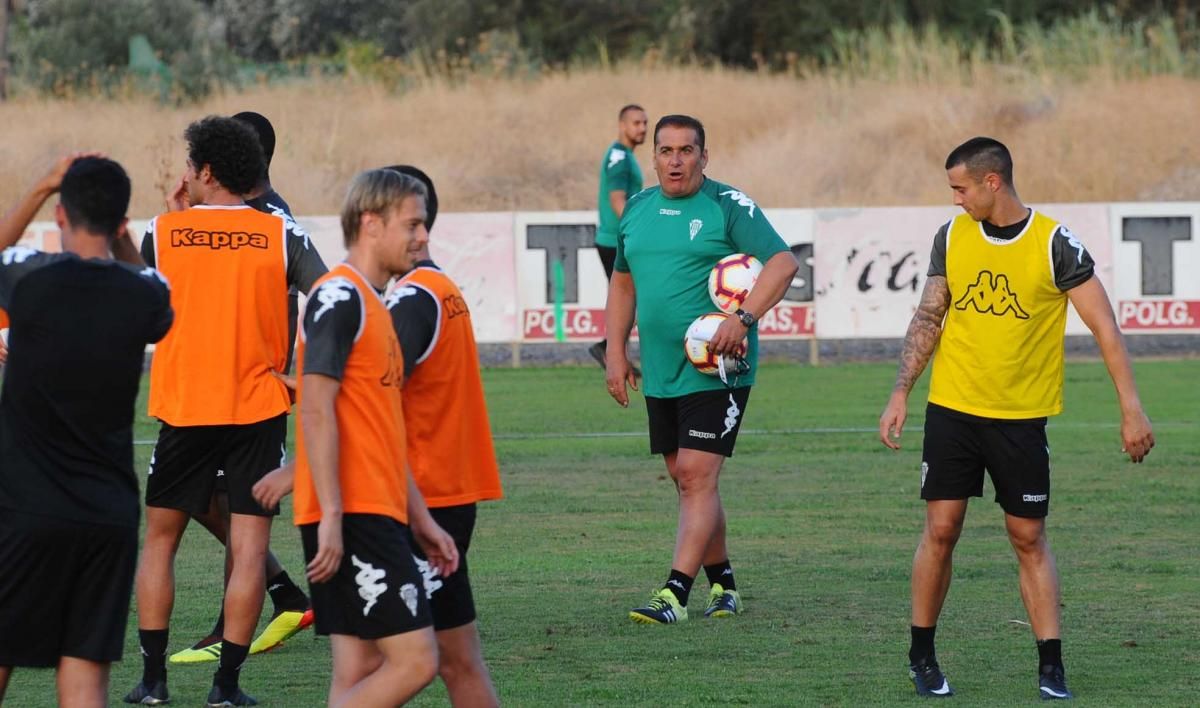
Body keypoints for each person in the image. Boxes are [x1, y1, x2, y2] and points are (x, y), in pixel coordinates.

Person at [878, 137, 1155, 701]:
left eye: (960, 188)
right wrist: (901, 391)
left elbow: (1105, 328)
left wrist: (1132, 408)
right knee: (941, 529)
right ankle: (922, 655)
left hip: (1021, 418)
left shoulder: (1055, 243)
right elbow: (930, 314)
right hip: (952, 409)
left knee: (1028, 536)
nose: (955, 200)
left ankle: (1051, 665)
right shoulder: (951, 236)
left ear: (991, 182)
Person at [124, 116, 326, 707]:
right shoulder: (282, 235)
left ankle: (153, 681)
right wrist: (309, 375)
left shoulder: (162, 232)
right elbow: (335, 294)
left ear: (205, 172)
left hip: (186, 408)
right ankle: (226, 688)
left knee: (159, 543)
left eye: (190, 165)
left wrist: (179, 219)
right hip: (259, 409)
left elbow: (144, 297)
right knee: (247, 549)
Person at [605, 114, 799, 624]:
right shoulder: (639, 210)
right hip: (663, 368)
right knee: (685, 476)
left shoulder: (727, 206)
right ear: (655, 158)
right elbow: (623, 283)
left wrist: (743, 317)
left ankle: (673, 594)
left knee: (695, 474)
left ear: (704, 156)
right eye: (666, 151)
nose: (675, 161)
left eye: (686, 151)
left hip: (720, 369)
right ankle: (725, 586)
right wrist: (614, 351)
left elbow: (782, 263)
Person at [277, 167, 459, 707]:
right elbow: (314, 407)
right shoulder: (339, 296)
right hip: (353, 515)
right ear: (371, 223)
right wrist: (331, 514)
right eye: (414, 224)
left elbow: (382, 431)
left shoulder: (376, 304)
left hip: (377, 509)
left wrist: (421, 519)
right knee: (417, 660)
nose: (424, 236)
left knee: (357, 670)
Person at [0, 155, 173, 707]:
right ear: (122, 222)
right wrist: (123, 239)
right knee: (85, 673)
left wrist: (38, 184)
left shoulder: (28, 279)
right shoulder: (142, 296)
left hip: (26, 508)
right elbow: (154, 283)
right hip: (107, 513)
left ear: (59, 213)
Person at [168, 110, 316, 666]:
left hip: (251, 391)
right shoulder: (242, 214)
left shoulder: (267, 218)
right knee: (213, 496)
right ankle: (281, 595)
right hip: (220, 385)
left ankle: (232, 634)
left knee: (233, 501)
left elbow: (298, 298)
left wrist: (285, 367)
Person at [589, 103, 647, 368]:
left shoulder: (622, 155)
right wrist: (636, 230)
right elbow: (617, 200)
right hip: (617, 240)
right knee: (631, 298)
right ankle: (611, 350)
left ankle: (612, 350)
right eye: (636, 123)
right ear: (622, 125)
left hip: (615, 239)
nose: (642, 128)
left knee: (632, 298)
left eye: (645, 123)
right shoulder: (620, 159)